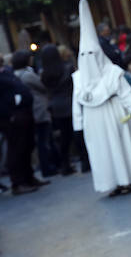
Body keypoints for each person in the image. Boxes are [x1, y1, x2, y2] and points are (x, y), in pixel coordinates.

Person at [73, 0, 131, 197]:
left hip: (114, 114)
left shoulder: (112, 72)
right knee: (101, 151)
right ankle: (111, 183)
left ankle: (126, 180)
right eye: (84, 55)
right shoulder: (78, 78)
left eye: (92, 54)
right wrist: (78, 123)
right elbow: (75, 103)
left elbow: (124, 91)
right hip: (93, 120)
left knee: (120, 148)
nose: (89, 59)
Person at [12, 50, 58, 178]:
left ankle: (50, 164)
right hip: (39, 109)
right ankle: (47, 167)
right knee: (44, 140)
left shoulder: (17, 74)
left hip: (33, 110)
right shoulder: (27, 75)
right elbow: (42, 86)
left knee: (43, 140)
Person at [0, 66, 45, 194]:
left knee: (26, 146)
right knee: (16, 149)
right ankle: (18, 182)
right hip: (10, 118)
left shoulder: (6, 71)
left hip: (22, 114)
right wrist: (9, 115)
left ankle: (28, 177)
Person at [40, 44, 76, 175]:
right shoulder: (67, 68)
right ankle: (84, 161)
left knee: (64, 136)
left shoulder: (44, 74)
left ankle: (65, 163)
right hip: (70, 103)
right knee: (76, 133)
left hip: (55, 107)